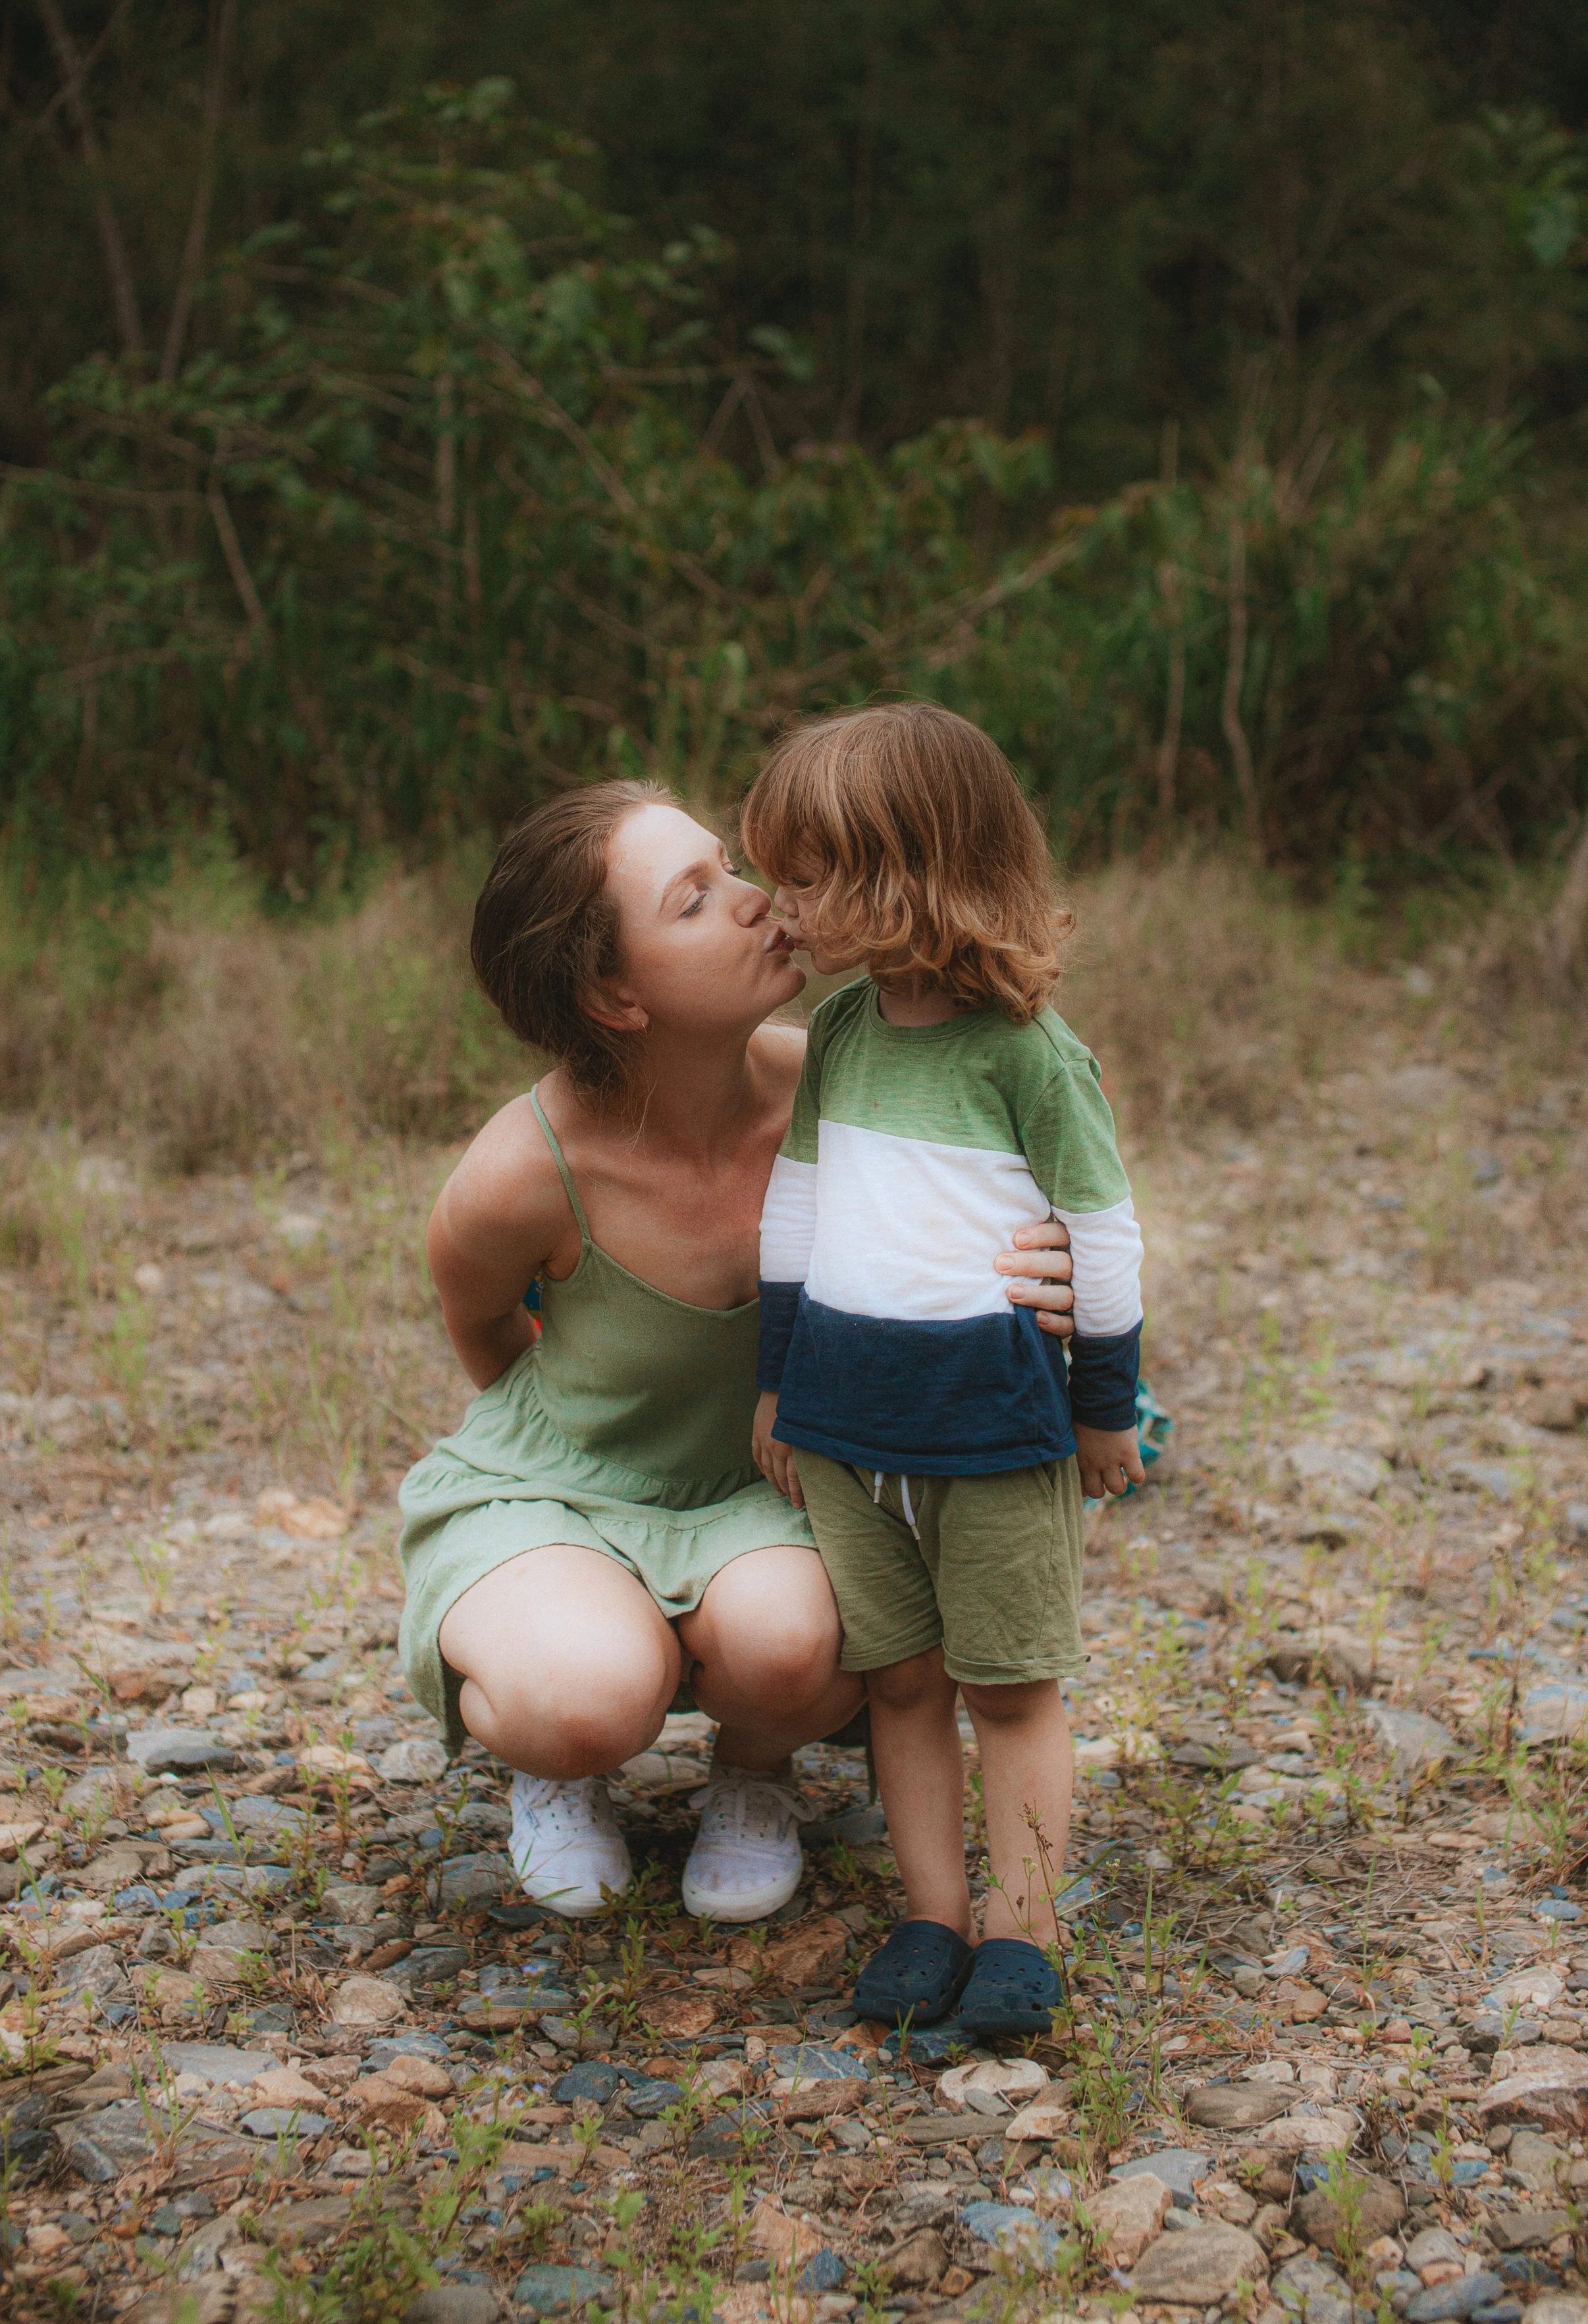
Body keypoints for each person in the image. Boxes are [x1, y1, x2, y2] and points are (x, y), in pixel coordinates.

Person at [397, 778, 1078, 1923]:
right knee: (584, 1697)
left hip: (769, 1488)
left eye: (731, 868)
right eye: (696, 899)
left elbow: (1000, 1201)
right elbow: (484, 1326)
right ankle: (556, 1766)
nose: (762, 901)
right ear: (617, 992)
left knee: (799, 1647)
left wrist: (1054, 1263)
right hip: (558, 1486)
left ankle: (755, 1773)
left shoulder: (846, 1084)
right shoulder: (523, 1169)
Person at [746, 704, 1145, 2031]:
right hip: (849, 1423)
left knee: (1008, 1683)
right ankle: (930, 1911)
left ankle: (1022, 1930)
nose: (777, 904)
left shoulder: (1029, 1053)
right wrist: (776, 1381)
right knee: (901, 1680)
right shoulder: (846, 1036)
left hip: (992, 1425)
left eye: (805, 875)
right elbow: (795, 1214)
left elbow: (1102, 1232)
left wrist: (1103, 1409)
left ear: (906, 872)